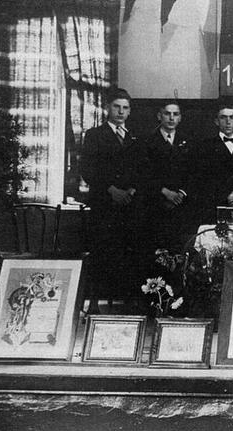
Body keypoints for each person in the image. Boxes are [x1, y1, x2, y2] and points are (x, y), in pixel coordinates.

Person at [82, 87, 149, 300]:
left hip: (130, 205)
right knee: (104, 253)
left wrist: (131, 190)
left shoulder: (135, 137)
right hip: (104, 205)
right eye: (117, 107)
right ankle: (100, 301)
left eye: (125, 108)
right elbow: (88, 170)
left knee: (129, 253)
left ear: (129, 111)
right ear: (107, 108)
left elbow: (143, 169)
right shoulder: (94, 135)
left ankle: (126, 301)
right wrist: (112, 190)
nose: (121, 112)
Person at [190, 103, 233, 225]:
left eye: (232, 117)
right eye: (223, 117)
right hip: (214, 207)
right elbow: (201, 178)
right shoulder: (205, 146)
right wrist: (225, 195)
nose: (228, 121)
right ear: (216, 121)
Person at [142, 101, 193, 250]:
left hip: (181, 205)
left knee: (179, 249)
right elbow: (143, 172)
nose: (171, 118)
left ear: (180, 118)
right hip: (155, 204)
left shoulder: (189, 141)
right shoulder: (147, 141)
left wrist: (181, 193)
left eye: (175, 114)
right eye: (167, 114)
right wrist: (164, 192)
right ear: (159, 116)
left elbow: (194, 171)